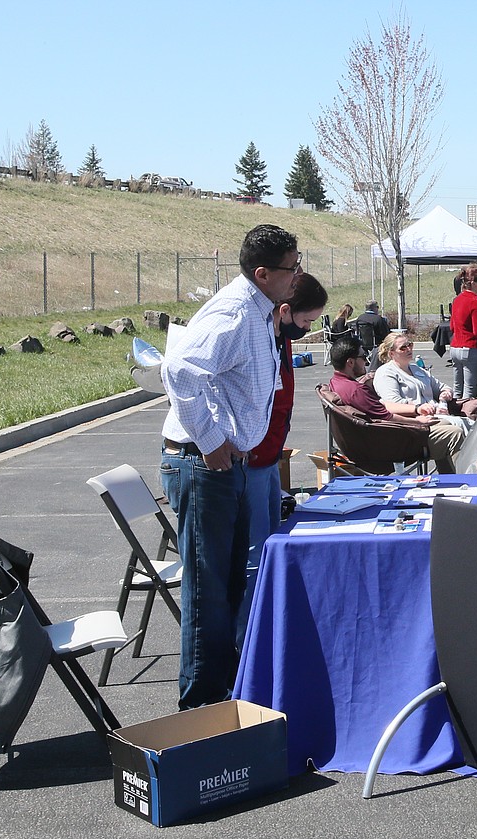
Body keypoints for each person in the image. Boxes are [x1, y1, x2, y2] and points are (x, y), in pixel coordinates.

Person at [160, 223, 301, 710]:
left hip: (229, 465)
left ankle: (226, 696)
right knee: (208, 594)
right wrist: (212, 439)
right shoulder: (236, 312)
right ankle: (201, 712)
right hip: (205, 467)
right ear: (262, 274)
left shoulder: (260, 312)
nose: (297, 275)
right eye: (291, 267)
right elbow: (178, 369)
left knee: (232, 586)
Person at [237, 272, 328, 649]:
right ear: (286, 311)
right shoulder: (260, 336)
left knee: (271, 545)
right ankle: (247, 644)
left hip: (269, 458)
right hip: (254, 460)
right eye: (306, 322)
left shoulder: (280, 338)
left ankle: (266, 633)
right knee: (256, 558)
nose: (306, 329)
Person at [328, 336, 463, 473]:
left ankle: (447, 481)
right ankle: (466, 482)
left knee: (448, 424)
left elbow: (381, 415)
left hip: (378, 437)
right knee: (455, 433)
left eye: (410, 344)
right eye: (363, 356)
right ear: (350, 362)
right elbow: (387, 416)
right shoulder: (356, 390)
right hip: (391, 443)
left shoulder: (336, 384)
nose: (367, 361)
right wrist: (417, 421)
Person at [449, 264, 477, 398]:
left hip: (455, 347)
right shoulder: (476, 302)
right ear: (473, 282)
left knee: (457, 389)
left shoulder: (457, 300)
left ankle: (454, 415)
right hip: (471, 349)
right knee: (469, 392)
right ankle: (467, 416)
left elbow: (452, 327)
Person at [354, 300, 390, 369]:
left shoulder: (360, 318)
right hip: (377, 344)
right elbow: (385, 333)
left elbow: (358, 332)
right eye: (377, 307)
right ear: (374, 308)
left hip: (363, 343)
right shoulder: (378, 319)